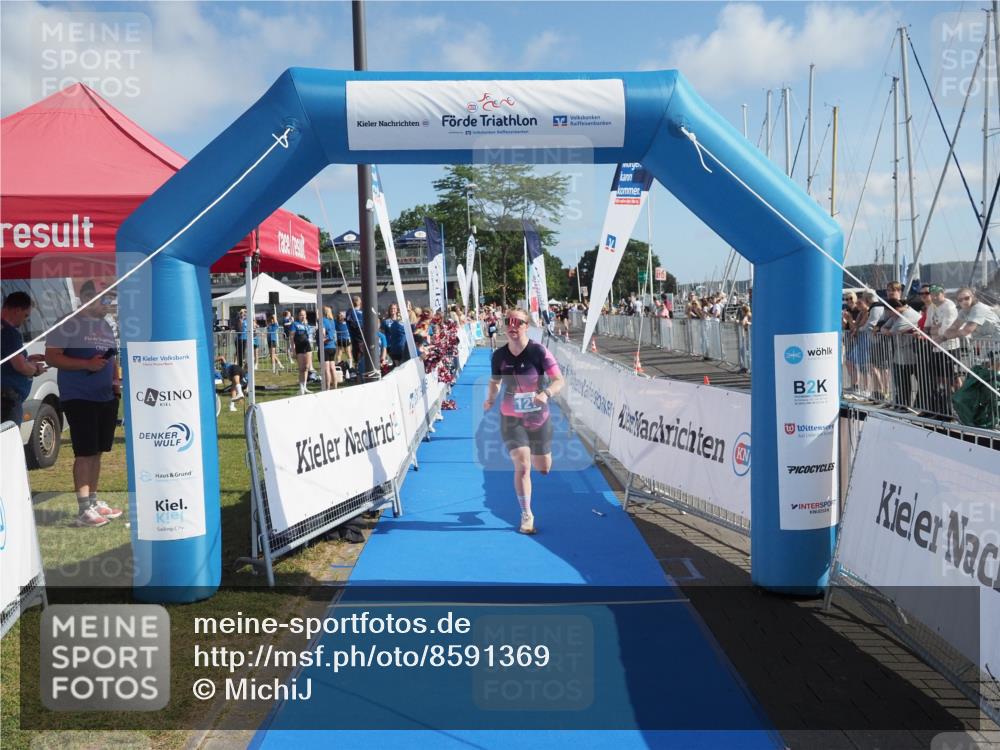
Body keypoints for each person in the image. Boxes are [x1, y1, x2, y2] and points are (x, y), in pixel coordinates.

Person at [44, 281, 123, 527]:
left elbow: (112, 357)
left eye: (111, 300)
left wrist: (115, 380)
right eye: (106, 300)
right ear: (87, 297)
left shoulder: (105, 325)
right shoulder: (67, 323)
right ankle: (83, 509)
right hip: (79, 396)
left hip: (106, 396)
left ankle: (94, 501)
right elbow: (51, 356)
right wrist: (86, 365)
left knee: (98, 451)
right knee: (85, 452)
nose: (109, 306)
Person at [483, 308, 565, 535]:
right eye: (508, 322)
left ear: (526, 325)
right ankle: (526, 514)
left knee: (544, 468)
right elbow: (495, 381)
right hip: (511, 417)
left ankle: (542, 461)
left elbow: (559, 380)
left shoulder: (539, 352)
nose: (512, 326)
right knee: (523, 465)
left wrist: (546, 393)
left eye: (518, 322)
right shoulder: (499, 356)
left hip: (539, 417)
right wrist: (490, 398)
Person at [1, 292, 47, 425]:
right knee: (8, 443)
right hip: (7, 402)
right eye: (25, 315)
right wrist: (35, 368)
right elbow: (20, 366)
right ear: (17, 310)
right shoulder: (9, 332)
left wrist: (27, 360)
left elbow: (9, 359)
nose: (25, 320)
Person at [290, 308, 313, 395]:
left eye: (304, 315)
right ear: (298, 316)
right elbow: (292, 337)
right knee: (301, 368)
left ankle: (305, 386)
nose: (302, 316)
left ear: (306, 315)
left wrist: (307, 325)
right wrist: (293, 349)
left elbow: (309, 336)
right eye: (301, 315)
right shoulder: (295, 324)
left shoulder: (307, 325)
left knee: (307, 367)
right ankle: (301, 388)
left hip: (307, 347)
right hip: (299, 347)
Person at [320, 306, 339, 390]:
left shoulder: (323, 320)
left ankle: (327, 387)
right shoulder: (332, 321)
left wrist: (322, 339)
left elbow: (323, 333)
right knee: (333, 368)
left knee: (327, 369)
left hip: (326, 347)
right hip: (333, 347)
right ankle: (335, 386)